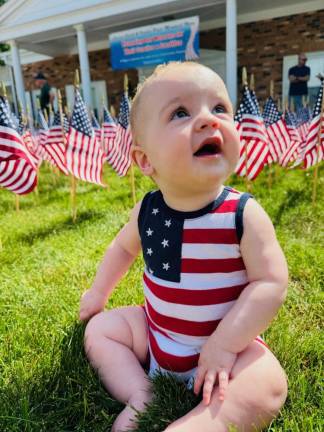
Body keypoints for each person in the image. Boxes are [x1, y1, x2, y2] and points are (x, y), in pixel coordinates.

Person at [80, 62, 288, 432]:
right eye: (181, 112)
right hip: (158, 337)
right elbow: (122, 250)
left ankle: (199, 425)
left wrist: (225, 344)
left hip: (229, 350)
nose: (209, 120)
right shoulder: (148, 210)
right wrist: (97, 295)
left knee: (268, 382)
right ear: (145, 160)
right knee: (101, 330)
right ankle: (140, 393)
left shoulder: (242, 214)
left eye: (220, 108)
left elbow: (270, 284)